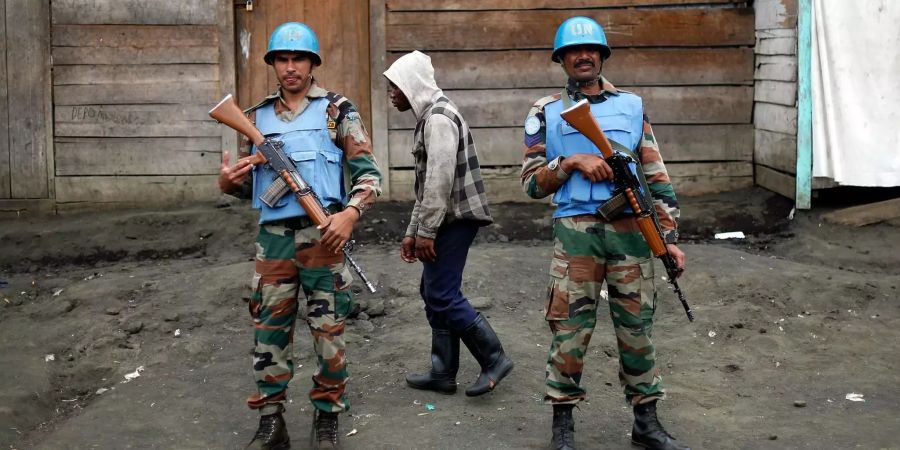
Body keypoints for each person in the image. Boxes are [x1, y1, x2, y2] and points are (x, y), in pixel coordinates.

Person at [520, 16, 689, 450]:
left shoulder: (632, 106)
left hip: (631, 232)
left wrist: (668, 239)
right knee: (569, 329)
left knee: (637, 327)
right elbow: (531, 184)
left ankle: (646, 423)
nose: (583, 56)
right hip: (576, 236)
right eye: (574, 52)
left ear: (602, 56)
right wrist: (570, 163)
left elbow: (656, 176)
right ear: (561, 59)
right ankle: (563, 427)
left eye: (592, 50)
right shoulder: (545, 112)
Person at [217, 22, 382, 450]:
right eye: (283, 60)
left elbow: (369, 177)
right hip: (272, 242)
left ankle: (326, 418)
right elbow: (245, 185)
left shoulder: (337, 111)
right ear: (273, 64)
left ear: (312, 64)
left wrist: (349, 214)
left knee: (329, 332)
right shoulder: (253, 117)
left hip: (323, 237)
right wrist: (227, 183)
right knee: (268, 330)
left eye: (299, 59)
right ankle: (271, 421)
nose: (291, 68)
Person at [383, 51, 513, 397]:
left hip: (454, 219)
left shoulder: (439, 119)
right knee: (433, 292)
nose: (391, 94)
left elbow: (439, 181)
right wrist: (413, 232)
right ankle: (443, 372)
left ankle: (494, 358)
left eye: (395, 87)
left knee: (442, 294)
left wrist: (425, 232)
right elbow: (426, 187)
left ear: (412, 86)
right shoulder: (430, 116)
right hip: (445, 218)